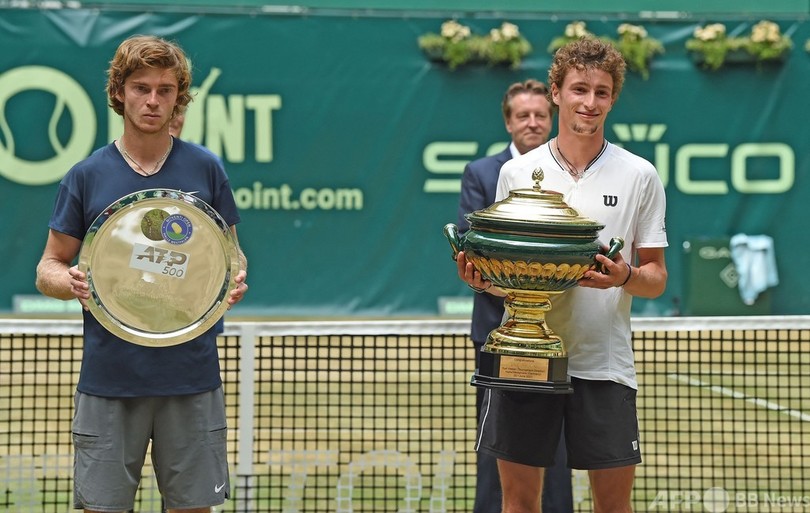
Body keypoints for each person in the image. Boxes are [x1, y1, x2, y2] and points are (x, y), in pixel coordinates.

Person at [35, 35, 248, 513]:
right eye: (141, 88)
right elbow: (48, 267)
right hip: (109, 379)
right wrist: (67, 282)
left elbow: (230, 254)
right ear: (119, 92)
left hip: (191, 377)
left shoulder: (206, 169)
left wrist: (232, 280)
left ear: (178, 97)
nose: (153, 100)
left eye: (165, 90)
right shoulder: (85, 175)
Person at [455, 37, 668, 513]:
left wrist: (623, 276)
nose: (590, 102)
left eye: (601, 92)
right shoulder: (516, 172)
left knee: (613, 508)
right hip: (523, 361)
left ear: (612, 98)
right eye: (579, 89)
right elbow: (508, 276)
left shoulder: (640, 175)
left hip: (604, 365)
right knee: (519, 503)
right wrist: (483, 279)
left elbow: (656, 276)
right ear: (556, 92)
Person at [458, 79, 573, 513]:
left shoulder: (569, 174)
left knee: (556, 440)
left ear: (551, 119)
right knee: (497, 441)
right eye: (523, 115)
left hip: (557, 333)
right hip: (496, 333)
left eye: (540, 115)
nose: (533, 123)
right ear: (509, 122)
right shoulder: (482, 173)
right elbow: (471, 246)